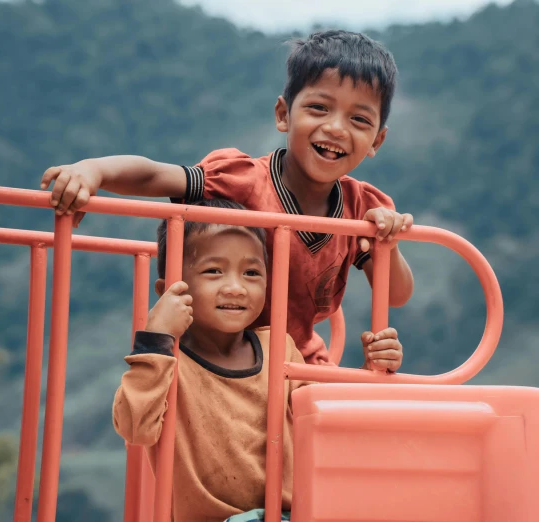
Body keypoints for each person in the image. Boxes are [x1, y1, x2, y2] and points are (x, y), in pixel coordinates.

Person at [43, 30, 414, 366]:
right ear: (284, 114)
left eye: (359, 120)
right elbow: (157, 174)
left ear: (376, 142)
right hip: (220, 362)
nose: (335, 127)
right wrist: (94, 171)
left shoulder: (361, 209)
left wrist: (389, 244)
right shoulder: (241, 180)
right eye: (319, 108)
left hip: (297, 363)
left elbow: (395, 295)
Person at [112, 199, 404, 522]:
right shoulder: (167, 364)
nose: (236, 288)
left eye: (251, 272)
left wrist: (370, 370)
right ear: (169, 290)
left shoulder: (279, 348)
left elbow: (330, 421)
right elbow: (134, 425)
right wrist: (156, 337)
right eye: (214, 271)